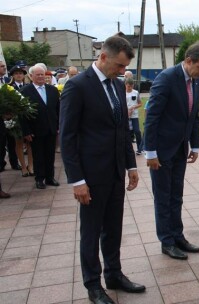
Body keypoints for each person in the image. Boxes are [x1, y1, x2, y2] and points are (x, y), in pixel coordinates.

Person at [60, 35, 146, 304]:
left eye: (125, 68)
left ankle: (114, 274)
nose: (123, 72)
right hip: (91, 176)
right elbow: (68, 137)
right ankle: (93, 285)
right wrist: (77, 180)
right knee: (92, 231)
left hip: (115, 172)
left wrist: (131, 165)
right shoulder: (77, 86)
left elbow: (121, 128)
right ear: (104, 57)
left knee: (113, 227)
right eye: (119, 66)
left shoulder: (118, 86)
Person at [144, 40, 199, 260]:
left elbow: (193, 116)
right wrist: (151, 152)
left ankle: (178, 236)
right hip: (162, 151)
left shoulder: (195, 81)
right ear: (188, 60)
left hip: (180, 149)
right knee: (163, 197)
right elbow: (152, 117)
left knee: (177, 196)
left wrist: (194, 144)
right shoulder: (166, 79)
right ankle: (166, 241)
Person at [20, 65, 60, 190]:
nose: (41, 77)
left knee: (50, 155)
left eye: (42, 74)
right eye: (38, 74)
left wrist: (58, 126)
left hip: (51, 128)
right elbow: (22, 114)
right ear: (31, 76)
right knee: (38, 156)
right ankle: (39, 179)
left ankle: (50, 177)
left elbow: (58, 110)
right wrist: (26, 131)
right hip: (35, 130)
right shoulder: (25, 91)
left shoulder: (52, 90)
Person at [9, 65, 33, 177]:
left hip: (27, 119)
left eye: (21, 73)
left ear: (24, 75)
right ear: (13, 75)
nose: (19, 75)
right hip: (16, 119)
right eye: (16, 73)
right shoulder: (8, 87)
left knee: (30, 143)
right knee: (18, 142)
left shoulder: (29, 86)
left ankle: (31, 165)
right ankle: (23, 167)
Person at [125, 78, 143, 155]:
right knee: (127, 133)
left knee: (137, 131)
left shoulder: (136, 93)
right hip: (125, 116)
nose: (130, 88)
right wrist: (127, 111)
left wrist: (134, 107)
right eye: (129, 86)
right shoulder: (122, 93)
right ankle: (128, 150)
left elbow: (140, 103)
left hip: (134, 116)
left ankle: (139, 148)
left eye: (131, 86)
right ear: (125, 85)